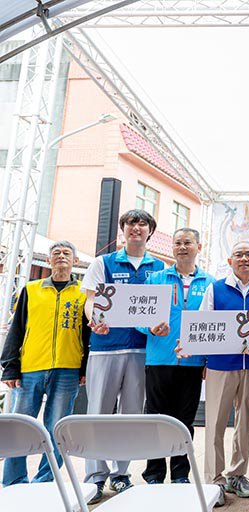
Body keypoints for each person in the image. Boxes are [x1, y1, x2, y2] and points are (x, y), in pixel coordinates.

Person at [81, 209, 165, 503]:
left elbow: (162, 307)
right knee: (98, 413)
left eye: (142, 224)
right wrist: (94, 319)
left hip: (142, 350)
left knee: (130, 414)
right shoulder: (103, 263)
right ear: (123, 229)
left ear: (150, 231)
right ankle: (95, 476)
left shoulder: (159, 267)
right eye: (131, 223)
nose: (136, 228)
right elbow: (91, 299)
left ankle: (121, 474)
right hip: (106, 347)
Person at [1, 241, 90, 487]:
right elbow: (17, 329)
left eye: (66, 253)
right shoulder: (31, 289)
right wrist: (10, 366)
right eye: (56, 253)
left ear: (75, 261)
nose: (61, 256)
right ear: (48, 260)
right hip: (30, 368)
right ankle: (14, 481)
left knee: (57, 427)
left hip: (68, 368)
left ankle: (45, 480)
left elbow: (87, 335)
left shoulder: (84, 293)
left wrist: (84, 368)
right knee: (20, 425)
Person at [142, 228, 215, 487]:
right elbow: (138, 316)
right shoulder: (156, 279)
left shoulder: (210, 283)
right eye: (178, 243)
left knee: (185, 420)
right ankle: (154, 474)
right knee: (156, 419)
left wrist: (207, 360)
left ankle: (180, 474)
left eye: (187, 243)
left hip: (193, 362)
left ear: (199, 247)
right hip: (159, 359)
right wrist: (150, 328)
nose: (182, 247)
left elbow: (213, 325)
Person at [200, 240, 249, 507]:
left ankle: (237, 474)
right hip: (220, 365)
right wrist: (202, 358)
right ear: (230, 261)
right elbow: (203, 323)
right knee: (215, 423)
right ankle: (214, 479)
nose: (244, 259)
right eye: (238, 254)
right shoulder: (216, 288)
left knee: (245, 422)